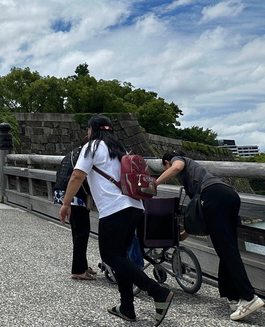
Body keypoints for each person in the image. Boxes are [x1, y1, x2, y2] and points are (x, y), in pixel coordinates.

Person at [59, 115, 173, 325]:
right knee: (120, 257)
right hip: (135, 207)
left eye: (88, 130)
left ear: (92, 130)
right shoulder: (119, 150)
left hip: (114, 209)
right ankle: (127, 308)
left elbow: (77, 176)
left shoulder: (92, 147)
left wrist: (66, 203)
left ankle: (158, 292)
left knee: (111, 257)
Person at [157, 149, 264, 321]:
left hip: (214, 196)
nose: (169, 171)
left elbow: (176, 167)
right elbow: (197, 212)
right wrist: (185, 234)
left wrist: (155, 183)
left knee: (226, 249)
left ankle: (249, 297)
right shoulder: (195, 175)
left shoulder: (179, 159)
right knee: (226, 248)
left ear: (166, 163)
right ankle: (233, 296)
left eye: (165, 168)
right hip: (229, 195)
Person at [53, 137, 96, 280]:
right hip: (75, 195)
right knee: (81, 233)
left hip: (63, 193)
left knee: (78, 231)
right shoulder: (84, 156)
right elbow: (77, 177)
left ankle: (82, 265)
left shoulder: (71, 154)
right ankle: (78, 269)